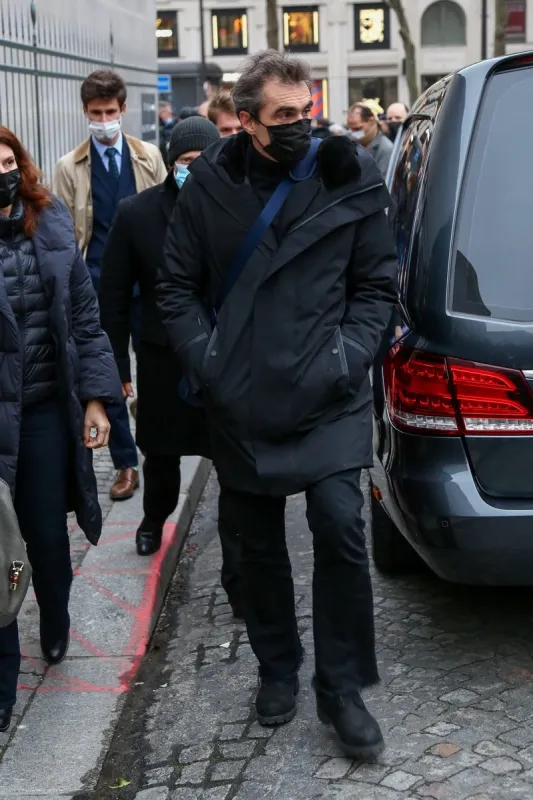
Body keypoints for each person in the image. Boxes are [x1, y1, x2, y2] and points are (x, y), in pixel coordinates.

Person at [157, 50, 398, 759]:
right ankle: (277, 665)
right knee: (253, 547)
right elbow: (175, 286)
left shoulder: (347, 173)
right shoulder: (210, 183)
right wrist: (210, 362)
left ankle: (341, 687)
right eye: (284, 116)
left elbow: (375, 286)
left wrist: (345, 357)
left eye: (307, 111)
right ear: (247, 121)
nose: (301, 125)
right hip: (242, 398)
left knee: (341, 530)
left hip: (328, 390)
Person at [0, 126, 122, 733]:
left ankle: (54, 616)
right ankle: (3, 673)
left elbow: (86, 320)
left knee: (46, 534)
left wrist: (96, 401)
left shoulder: (47, 224)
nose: (0, 174)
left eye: (6, 162)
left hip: (47, 409)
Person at [53, 69, 167, 502]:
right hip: (98, 283)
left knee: (155, 365)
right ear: (86, 113)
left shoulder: (148, 157)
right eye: (96, 113)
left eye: (110, 112)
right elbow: (64, 232)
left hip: (149, 282)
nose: (104, 120)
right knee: (109, 373)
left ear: (123, 110)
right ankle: (125, 461)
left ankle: (158, 443)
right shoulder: (69, 167)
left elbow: (163, 214)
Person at [347, 101, 394, 178]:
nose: (353, 133)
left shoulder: (386, 149)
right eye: (350, 129)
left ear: (371, 121)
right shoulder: (346, 141)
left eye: (357, 129)